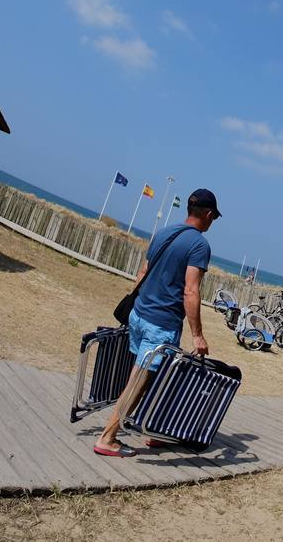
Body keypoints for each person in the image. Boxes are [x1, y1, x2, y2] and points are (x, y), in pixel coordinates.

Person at [94, 189, 220, 457]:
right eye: (214, 218)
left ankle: (151, 431)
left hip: (139, 314)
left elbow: (142, 273)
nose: (212, 223)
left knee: (152, 378)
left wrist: (138, 307)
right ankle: (107, 438)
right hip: (160, 324)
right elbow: (191, 291)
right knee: (139, 382)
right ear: (208, 215)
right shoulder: (199, 245)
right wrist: (198, 335)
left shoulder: (164, 233)